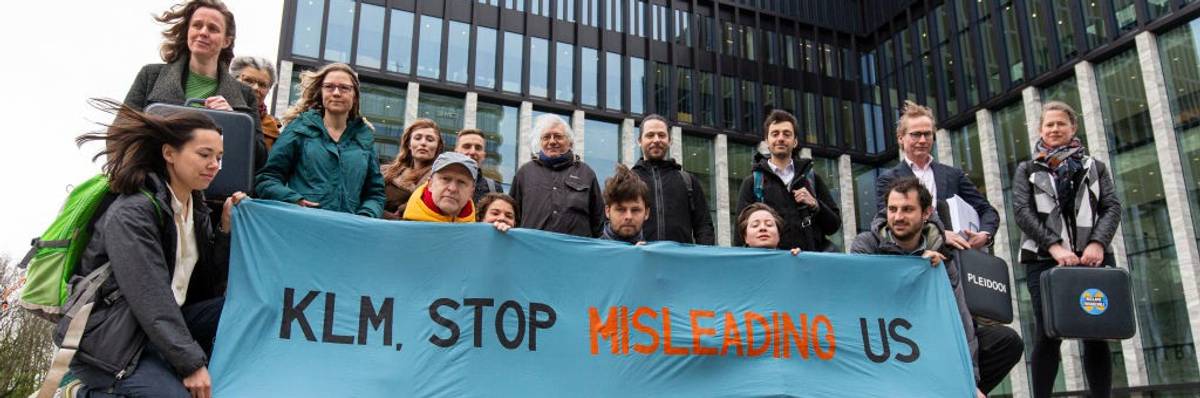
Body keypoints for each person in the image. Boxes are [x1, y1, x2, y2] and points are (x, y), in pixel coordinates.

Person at [69, 99, 246, 398]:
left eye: (219, 156)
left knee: (246, 309)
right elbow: (150, 296)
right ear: (169, 153)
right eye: (204, 154)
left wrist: (225, 228)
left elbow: (209, 283)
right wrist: (192, 365)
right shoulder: (133, 212)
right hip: (114, 340)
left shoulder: (195, 207)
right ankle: (84, 394)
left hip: (162, 327)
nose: (215, 165)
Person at [1013, 101, 1121, 398]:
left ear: (1073, 128)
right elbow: (1022, 212)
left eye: (1061, 123)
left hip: (1093, 260)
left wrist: (1098, 243)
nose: (1055, 129)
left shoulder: (1094, 167)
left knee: (1096, 334)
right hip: (1043, 262)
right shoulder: (1027, 170)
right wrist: (1055, 246)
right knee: (1047, 335)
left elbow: (1111, 207)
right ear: (1040, 130)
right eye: (1049, 124)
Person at [850, 177, 986, 398]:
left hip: (927, 341)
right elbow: (867, 295)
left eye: (907, 209)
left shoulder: (942, 254)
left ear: (926, 213)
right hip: (880, 343)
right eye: (892, 209)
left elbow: (960, 318)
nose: (898, 217)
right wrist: (915, 265)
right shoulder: (866, 243)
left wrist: (969, 381)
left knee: (1004, 341)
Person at [123, 0, 265, 171]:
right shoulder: (150, 76)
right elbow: (121, 134)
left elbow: (260, 160)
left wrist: (234, 124)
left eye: (213, 28)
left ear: (226, 41)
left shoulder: (245, 95)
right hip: (153, 188)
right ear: (188, 31)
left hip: (214, 194)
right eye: (197, 25)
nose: (203, 32)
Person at [254, 63, 386, 218]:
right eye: (329, 87)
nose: (336, 93)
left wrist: (366, 215)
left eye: (344, 88)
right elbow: (267, 179)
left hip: (349, 232)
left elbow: (375, 194)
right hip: (303, 226)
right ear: (321, 92)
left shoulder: (364, 138)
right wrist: (294, 200)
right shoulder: (299, 129)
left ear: (354, 95)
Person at [875, 100, 999, 250]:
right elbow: (888, 222)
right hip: (914, 256)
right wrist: (939, 234)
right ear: (901, 138)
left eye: (927, 134)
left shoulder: (953, 174)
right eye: (916, 134)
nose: (922, 140)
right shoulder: (888, 180)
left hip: (955, 258)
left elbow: (987, 210)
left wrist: (984, 235)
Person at [735, 109, 840, 251]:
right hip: (770, 265)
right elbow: (740, 233)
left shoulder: (811, 178)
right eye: (775, 134)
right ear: (767, 141)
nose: (781, 138)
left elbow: (833, 226)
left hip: (808, 263)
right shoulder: (753, 183)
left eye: (787, 134)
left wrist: (815, 205)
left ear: (795, 141)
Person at [509, 114, 605, 238]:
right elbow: (512, 215)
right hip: (533, 251)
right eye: (546, 137)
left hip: (575, 253)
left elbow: (598, 221)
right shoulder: (524, 173)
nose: (552, 141)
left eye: (558, 136)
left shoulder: (586, 173)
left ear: (570, 142)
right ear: (540, 142)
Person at [631, 114, 715, 245]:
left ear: (670, 141)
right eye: (650, 135)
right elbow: (613, 224)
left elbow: (704, 226)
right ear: (639, 141)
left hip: (681, 262)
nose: (656, 139)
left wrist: (702, 259)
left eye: (662, 135)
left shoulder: (688, 181)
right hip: (639, 260)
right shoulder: (628, 181)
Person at [381, 119, 444, 219]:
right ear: (409, 145)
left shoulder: (442, 178)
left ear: (438, 147)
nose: (423, 143)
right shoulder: (386, 171)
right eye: (417, 138)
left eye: (430, 140)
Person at [401, 152, 478, 223]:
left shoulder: (480, 233)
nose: (452, 188)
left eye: (461, 182)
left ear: (471, 192)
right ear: (430, 184)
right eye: (445, 179)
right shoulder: (400, 229)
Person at [229, 56, 282, 152]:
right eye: (248, 81)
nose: (255, 88)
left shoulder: (274, 130)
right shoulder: (215, 108)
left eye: (262, 85)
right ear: (232, 80)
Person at [599, 165, 650, 245]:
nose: (628, 217)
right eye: (620, 210)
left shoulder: (655, 256)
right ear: (607, 211)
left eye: (635, 210)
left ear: (646, 213)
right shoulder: (591, 255)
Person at [453, 128, 505, 202]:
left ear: (484, 155)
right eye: (467, 146)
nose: (472, 152)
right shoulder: (441, 181)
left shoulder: (494, 189)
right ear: (456, 152)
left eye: (478, 148)